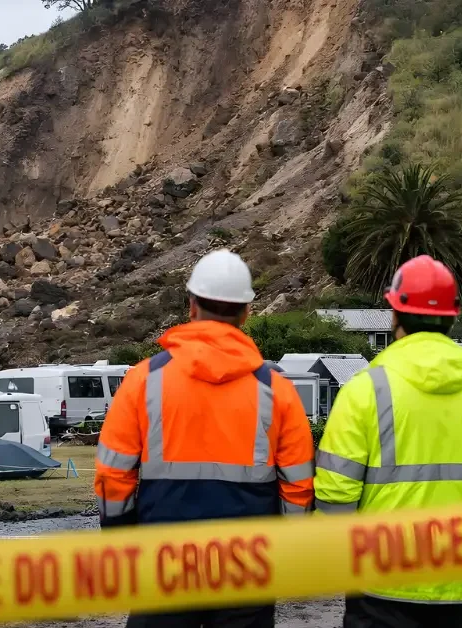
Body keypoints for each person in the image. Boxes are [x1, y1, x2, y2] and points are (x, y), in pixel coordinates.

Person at [95, 249, 315, 628]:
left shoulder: (143, 381)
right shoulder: (277, 391)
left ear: (191, 306)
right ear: (246, 313)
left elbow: (114, 475)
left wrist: (122, 534)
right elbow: (298, 486)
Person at [314, 255, 462, 628]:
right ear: (453, 316)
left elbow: (336, 495)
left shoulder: (363, 391)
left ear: (394, 314)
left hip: (380, 589)